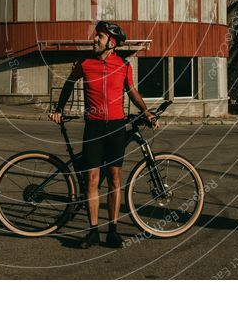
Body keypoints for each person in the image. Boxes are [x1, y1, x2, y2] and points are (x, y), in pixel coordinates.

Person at [49, 21, 157, 249]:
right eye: (95, 35)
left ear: (112, 42)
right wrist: (59, 109)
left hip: (116, 127)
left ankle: (113, 232)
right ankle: (93, 232)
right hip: (94, 128)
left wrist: (146, 113)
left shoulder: (124, 66)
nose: (94, 39)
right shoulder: (86, 63)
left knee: (115, 181)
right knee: (92, 180)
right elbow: (69, 83)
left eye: (99, 36)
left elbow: (133, 92)